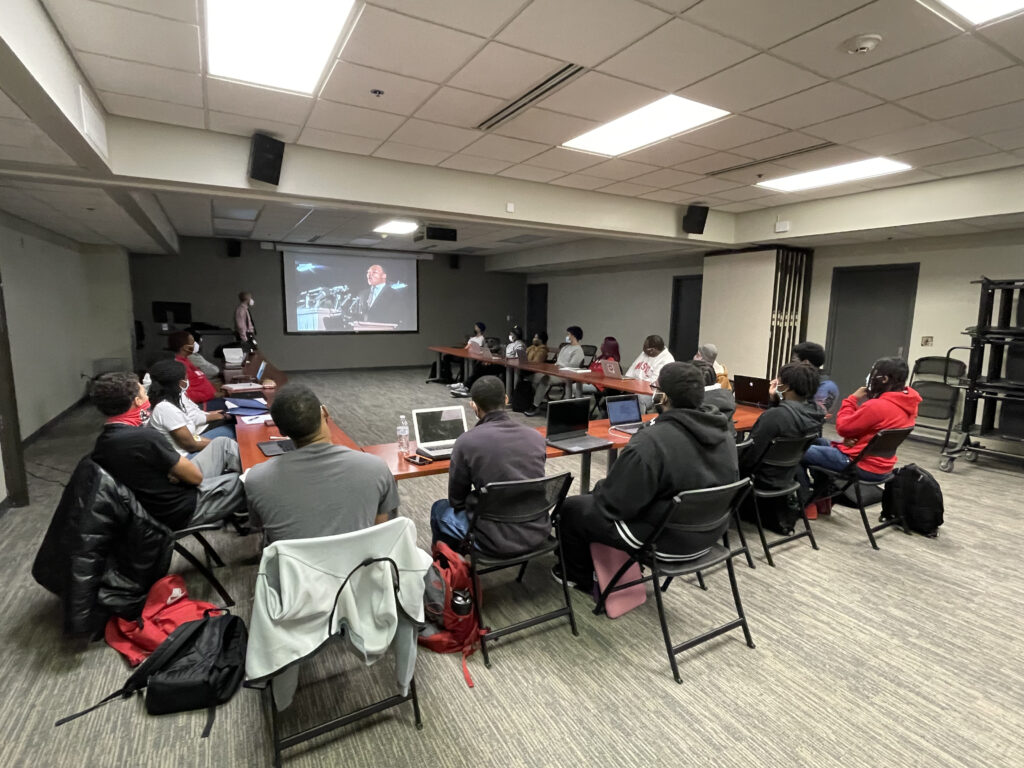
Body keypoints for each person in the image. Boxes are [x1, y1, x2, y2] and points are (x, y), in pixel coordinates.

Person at [555, 362, 739, 591]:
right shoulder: (725, 434)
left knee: (573, 508)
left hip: (664, 542)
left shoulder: (651, 442)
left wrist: (599, 490)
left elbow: (614, 505)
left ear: (662, 397)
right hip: (709, 536)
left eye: (656, 387)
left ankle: (576, 577)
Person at [89, 372, 246, 531]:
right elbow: (195, 477)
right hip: (183, 508)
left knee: (223, 444)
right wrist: (176, 472)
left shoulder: (102, 443)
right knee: (248, 479)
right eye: (145, 394)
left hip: (155, 507)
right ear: (137, 401)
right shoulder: (144, 438)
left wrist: (172, 471)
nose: (149, 399)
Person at [245, 384, 400, 544]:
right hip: (361, 566)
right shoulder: (376, 468)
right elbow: (381, 533)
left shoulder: (256, 479)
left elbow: (260, 525)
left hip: (295, 569)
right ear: (325, 412)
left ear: (281, 431)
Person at [430, 376, 548, 557]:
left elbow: (457, 501)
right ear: (506, 399)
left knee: (440, 508)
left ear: (474, 406)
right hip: (538, 530)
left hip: (493, 539)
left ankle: (450, 568)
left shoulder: (466, 442)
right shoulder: (536, 437)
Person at [800, 357, 921, 499]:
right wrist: (855, 440)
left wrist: (852, 399)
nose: (871, 376)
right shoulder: (908, 403)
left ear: (885, 379)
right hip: (881, 465)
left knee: (795, 453)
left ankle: (804, 501)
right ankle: (821, 499)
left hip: (859, 465)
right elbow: (874, 429)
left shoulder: (877, 406)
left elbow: (843, 428)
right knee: (819, 442)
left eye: (875, 373)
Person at [739, 362, 825, 533]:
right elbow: (784, 423)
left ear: (786, 386)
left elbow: (750, 458)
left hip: (760, 478)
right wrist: (776, 402)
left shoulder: (776, 416)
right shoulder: (816, 413)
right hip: (786, 475)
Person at [146, 359, 235, 457]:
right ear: (181, 383)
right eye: (186, 377)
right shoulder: (165, 408)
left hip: (192, 447)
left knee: (233, 441)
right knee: (234, 436)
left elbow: (194, 438)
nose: (187, 380)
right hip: (188, 457)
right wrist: (223, 445)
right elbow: (191, 445)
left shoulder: (172, 399)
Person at [524, 325, 584, 416]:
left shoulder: (578, 350)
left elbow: (573, 366)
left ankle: (535, 405)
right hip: (556, 372)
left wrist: (559, 366)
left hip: (566, 375)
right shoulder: (565, 347)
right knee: (532, 378)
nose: (567, 336)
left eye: (568, 334)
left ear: (573, 335)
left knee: (545, 379)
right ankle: (538, 400)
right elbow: (558, 362)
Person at [451, 325, 526, 397]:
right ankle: (467, 386)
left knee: (481, 369)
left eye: (511, 334)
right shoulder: (511, 344)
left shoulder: (520, 345)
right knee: (480, 366)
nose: (510, 335)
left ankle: (467, 386)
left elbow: (519, 360)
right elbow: (507, 356)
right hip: (504, 365)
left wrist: (505, 360)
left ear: (516, 335)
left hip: (509, 368)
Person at [168, 330, 224, 409]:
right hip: (200, 405)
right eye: (192, 342)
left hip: (209, 399)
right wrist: (213, 394)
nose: (195, 345)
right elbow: (186, 394)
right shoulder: (180, 366)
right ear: (185, 348)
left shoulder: (187, 361)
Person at [624, 334, 675, 410]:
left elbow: (653, 383)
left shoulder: (667, 360)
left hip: (652, 393)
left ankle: (635, 421)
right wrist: (625, 382)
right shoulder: (645, 353)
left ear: (652, 350)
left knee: (638, 398)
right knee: (613, 392)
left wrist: (633, 386)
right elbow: (632, 369)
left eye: (645, 347)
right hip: (635, 388)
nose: (643, 349)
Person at [791, 341, 840, 416]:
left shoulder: (826, 386)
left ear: (806, 362)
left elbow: (815, 415)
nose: (792, 364)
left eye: (794, 361)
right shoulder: (798, 380)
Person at [358, 263, 411, 328]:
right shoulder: (363, 294)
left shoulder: (394, 295)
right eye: (368, 272)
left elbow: (397, 318)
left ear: (384, 276)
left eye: (374, 272)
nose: (369, 275)